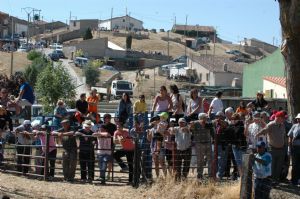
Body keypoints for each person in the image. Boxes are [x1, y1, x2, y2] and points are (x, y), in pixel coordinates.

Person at [256, 111, 286, 181]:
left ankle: (275, 180)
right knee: (272, 165)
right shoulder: (271, 125)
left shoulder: (282, 125)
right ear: (279, 118)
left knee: (279, 166)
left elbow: (284, 136)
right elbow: (264, 130)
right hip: (272, 149)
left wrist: (285, 146)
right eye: (283, 118)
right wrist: (257, 134)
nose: (284, 119)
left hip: (281, 149)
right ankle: (271, 180)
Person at [190, 113, 214, 180]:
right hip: (199, 144)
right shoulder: (195, 123)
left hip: (208, 143)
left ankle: (210, 175)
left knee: (210, 160)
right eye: (204, 117)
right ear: (200, 118)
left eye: (206, 117)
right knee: (200, 160)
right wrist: (191, 125)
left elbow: (212, 131)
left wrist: (214, 138)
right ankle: (199, 175)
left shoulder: (208, 123)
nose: (206, 118)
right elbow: (190, 129)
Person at [230, 113, 247, 177]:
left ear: (238, 119)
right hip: (234, 146)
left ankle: (244, 176)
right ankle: (241, 176)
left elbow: (242, 134)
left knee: (243, 162)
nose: (233, 120)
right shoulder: (231, 125)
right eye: (232, 119)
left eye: (235, 119)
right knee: (238, 162)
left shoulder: (242, 125)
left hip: (241, 146)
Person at [288, 113, 300, 185]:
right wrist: (289, 146)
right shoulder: (294, 126)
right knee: (295, 164)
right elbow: (290, 136)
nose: (298, 120)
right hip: (295, 148)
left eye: (299, 119)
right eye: (298, 119)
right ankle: (294, 180)